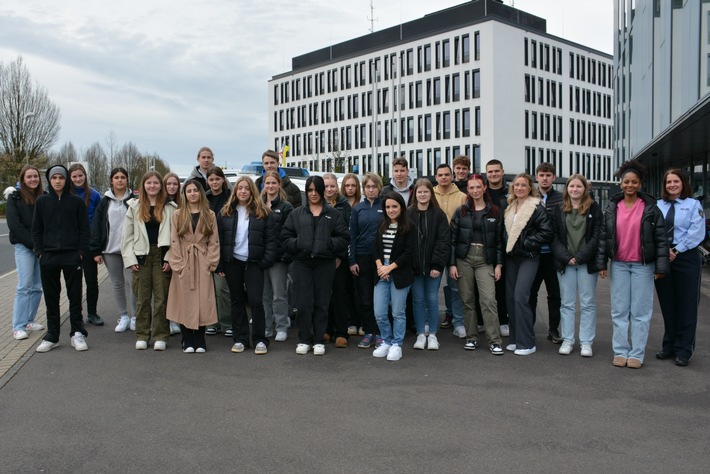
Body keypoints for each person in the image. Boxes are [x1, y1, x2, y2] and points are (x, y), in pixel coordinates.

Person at [602, 160, 669, 369]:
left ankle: (637, 353)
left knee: (640, 312)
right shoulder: (613, 207)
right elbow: (604, 237)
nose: (630, 185)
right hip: (620, 265)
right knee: (619, 311)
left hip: (643, 266)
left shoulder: (650, 208)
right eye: (626, 182)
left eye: (634, 182)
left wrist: (661, 266)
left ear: (639, 184)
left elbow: (661, 239)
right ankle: (620, 351)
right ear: (621, 183)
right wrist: (602, 263)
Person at [282, 176, 349, 356]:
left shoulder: (333, 214)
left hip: (325, 263)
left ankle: (319, 339)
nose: (313, 194)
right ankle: (304, 339)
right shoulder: (296, 214)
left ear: (321, 191)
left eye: (316, 190)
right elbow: (285, 237)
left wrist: (328, 245)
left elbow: (344, 238)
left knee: (322, 302)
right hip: (302, 263)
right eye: (310, 190)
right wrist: (299, 244)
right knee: (303, 304)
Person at [32, 165, 90, 353]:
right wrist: (40, 251)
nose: (58, 181)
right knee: (51, 298)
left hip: (71, 255)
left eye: (61, 178)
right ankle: (52, 335)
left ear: (66, 180)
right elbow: (36, 229)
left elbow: (84, 229)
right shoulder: (42, 202)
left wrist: (80, 251)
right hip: (48, 256)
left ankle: (77, 333)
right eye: (54, 178)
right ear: (49, 180)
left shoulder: (76, 202)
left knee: (74, 297)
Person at [217, 176, 277, 355]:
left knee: (256, 301)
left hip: (254, 263)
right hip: (232, 262)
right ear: (235, 191)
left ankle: (260, 339)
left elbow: (271, 241)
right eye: (239, 188)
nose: (243, 191)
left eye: (246, 188)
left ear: (252, 191)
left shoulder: (263, 213)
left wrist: (265, 261)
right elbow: (219, 240)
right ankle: (241, 338)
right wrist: (220, 264)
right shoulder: (225, 212)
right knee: (236, 301)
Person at [654, 169, 705, 367]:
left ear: (683, 183)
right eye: (668, 182)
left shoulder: (693, 205)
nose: (672, 185)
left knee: (687, 304)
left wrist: (676, 249)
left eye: (676, 181)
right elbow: (652, 229)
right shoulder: (658, 205)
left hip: (686, 258)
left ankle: (684, 349)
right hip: (663, 257)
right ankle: (669, 345)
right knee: (668, 303)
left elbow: (696, 231)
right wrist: (665, 250)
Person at [550, 174, 605, 357]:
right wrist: (567, 257)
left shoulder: (594, 208)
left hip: (586, 264)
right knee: (567, 303)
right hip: (565, 263)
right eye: (571, 186)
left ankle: (586, 342)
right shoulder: (559, 209)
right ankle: (568, 340)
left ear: (585, 189)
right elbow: (554, 237)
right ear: (567, 189)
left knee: (588, 303)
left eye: (578, 186)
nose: (575, 189)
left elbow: (597, 236)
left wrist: (580, 257)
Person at [121, 171, 177, 351]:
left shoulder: (170, 207)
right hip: (140, 257)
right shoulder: (134, 207)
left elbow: (176, 237)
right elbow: (127, 236)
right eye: (148, 183)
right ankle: (142, 334)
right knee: (142, 299)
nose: (152, 186)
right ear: (143, 186)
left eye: (155, 183)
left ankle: (160, 335)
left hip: (162, 257)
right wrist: (129, 259)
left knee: (161, 298)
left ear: (161, 185)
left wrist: (170, 257)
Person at [450, 174, 505, 355]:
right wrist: (452, 264)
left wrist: (498, 264)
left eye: (478, 187)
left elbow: (498, 241)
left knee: (488, 300)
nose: (475, 191)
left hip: (485, 259)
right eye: (471, 187)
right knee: (467, 300)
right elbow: (452, 240)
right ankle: (471, 337)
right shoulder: (461, 211)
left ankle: (495, 340)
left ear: (484, 188)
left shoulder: (495, 211)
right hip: (464, 258)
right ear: (468, 190)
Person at [166, 180, 220, 353]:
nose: (192, 193)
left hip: (202, 260)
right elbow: (174, 239)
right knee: (184, 301)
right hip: (184, 260)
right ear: (184, 194)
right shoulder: (178, 215)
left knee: (203, 301)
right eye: (189, 191)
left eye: (195, 190)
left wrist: (211, 262)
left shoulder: (209, 214)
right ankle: (187, 338)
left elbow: (214, 240)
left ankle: (200, 339)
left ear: (200, 193)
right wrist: (178, 263)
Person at [503, 173, 553, 356]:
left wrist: (525, 243)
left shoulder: (536, 206)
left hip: (529, 257)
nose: (519, 188)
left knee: (520, 297)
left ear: (529, 187)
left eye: (523, 185)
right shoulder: (510, 207)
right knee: (510, 299)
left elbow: (546, 232)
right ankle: (515, 339)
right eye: (517, 185)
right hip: (511, 258)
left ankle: (527, 342)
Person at [91, 167, 137, 333]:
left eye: (122, 177)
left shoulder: (135, 200)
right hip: (110, 249)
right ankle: (123, 316)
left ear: (127, 180)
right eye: (116, 177)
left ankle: (135, 317)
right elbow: (96, 226)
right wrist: (96, 250)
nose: (119, 180)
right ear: (111, 180)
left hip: (131, 250)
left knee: (133, 283)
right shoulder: (104, 202)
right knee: (117, 284)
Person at [372, 192, 415, 361]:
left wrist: (389, 267)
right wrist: (380, 267)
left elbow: (409, 253)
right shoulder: (381, 224)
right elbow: (374, 247)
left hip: (399, 271)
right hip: (381, 270)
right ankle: (386, 340)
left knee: (398, 312)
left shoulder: (409, 226)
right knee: (380, 312)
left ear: (401, 208)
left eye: (394, 206)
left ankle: (397, 344)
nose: (391, 210)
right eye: (388, 207)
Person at [407, 179, 449, 351]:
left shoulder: (438, 214)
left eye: (426, 191)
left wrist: (437, 265)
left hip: (433, 267)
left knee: (432, 299)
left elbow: (443, 241)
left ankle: (432, 334)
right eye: (419, 192)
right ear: (415, 194)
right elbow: (405, 241)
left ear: (431, 193)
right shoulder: (408, 213)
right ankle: (419, 333)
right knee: (417, 300)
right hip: (414, 267)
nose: (422, 195)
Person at [8, 165, 45, 340]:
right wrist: (33, 244)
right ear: (23, 179)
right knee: (24, 286)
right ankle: (18, 326)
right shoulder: (14, 198)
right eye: (29, 177)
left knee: (37, 287)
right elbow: (15, 226)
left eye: (35, 176)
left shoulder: (43, 197)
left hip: (40, 248)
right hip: (25, 247)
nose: (33, 179)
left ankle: (30, 320)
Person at [349, 173, 384, 348]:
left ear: (379, 188)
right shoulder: (357, 209)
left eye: (374, 186)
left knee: (381, 297)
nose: (371, 190)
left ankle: (380, 332)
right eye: (368, 187)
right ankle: (369, 331)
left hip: (381, 259)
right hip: (362, 258)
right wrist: (352, 260)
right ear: (364, 189)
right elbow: (352, 236)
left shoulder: (385, 207)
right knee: (365, 298)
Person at [529, 163, 563, 344]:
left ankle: (553, 329)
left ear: (554, 177)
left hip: (553, 255)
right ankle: (530, 328)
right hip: (534, 254)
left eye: (548, 175)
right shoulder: (529, 196)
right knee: (531, 293)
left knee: (555, 294)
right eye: (541, 175)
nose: (544, 178)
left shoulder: (560, 198)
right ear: (536, 177)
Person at [433, 164, 467, 336]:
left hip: (455, 246)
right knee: (432, 287)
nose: (444, 177)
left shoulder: (462, 196)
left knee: (455, 287)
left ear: (452, 176)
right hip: (435, 248)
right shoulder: (429, 193)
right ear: (436, 176)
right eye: (440, 175)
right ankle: (430, 324)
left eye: (447, 174)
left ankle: (459, 323)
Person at [69, 163, 104, 327]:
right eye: (74, 176)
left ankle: (92, 313)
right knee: (74, 282)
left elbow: (99, 222)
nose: (77, 179)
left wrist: (97, 246)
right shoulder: (67, 195)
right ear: (70, 178)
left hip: (89, 245)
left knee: (92, 281)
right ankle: (76, 313)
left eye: (80, 176)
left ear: (85, 176)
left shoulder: (95, 196)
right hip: (71, 247)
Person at [261, 171, 294, 342]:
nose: (271, 186)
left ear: (279, 184)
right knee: (264, 295)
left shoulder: (286, 206)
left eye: (274, 183)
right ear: (264, 185)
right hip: (260, 257)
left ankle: (281, 326)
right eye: (268, 183)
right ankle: (266, 327)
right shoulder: (257, 204)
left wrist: (283, 254)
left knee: (279, 295)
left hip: (278, 258)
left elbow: (288, 233)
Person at [322, 173, 353, 347]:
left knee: (340, 295)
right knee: (325, 296)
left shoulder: (344, 206)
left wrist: (340, 257)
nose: (329, 189)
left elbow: (347, 233)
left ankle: (342, 332)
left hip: (340, 260)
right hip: (321, 260)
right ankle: (327, 329)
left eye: (332, 186)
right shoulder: (315, 205)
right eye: (326, 186)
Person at [205, 166, 232, 337]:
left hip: (224, 246)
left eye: (217, 179)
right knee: (207, 289)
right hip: (205, 248)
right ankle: (211, 322)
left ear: (222, 180)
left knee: (222, 288)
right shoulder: (204, 198)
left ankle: (227, 322)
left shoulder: (230, 198)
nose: (214, 182)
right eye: (211, 179)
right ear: (207, 181)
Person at [485, 159, 509, 337]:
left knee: (501, 286)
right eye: (490, 172)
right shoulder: (482, 191)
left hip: (505, 244)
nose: (493, 174)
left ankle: (503, 320)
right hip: (484, 244)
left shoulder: (509, 193)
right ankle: (481, 321)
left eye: (496, 171)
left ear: (502, 172)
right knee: (482, 286)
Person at [340, 173, 364, 335]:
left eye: (353, 185)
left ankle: (361, 321)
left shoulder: (361, 205)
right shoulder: (340, 204)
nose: (350, 189)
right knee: (345, 289)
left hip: (359, 252)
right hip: (343, 252)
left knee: (360, 290)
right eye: (347, 186)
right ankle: (350, 322)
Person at [162, 171, 183, 336]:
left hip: (181, 251)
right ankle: (166, 321)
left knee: (177, 289)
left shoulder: (183, 204)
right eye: (168, 184)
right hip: (165, 252)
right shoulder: (161, 204)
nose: (171, 187)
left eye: (174, 184)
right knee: (164, 289)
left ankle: (176, 319)